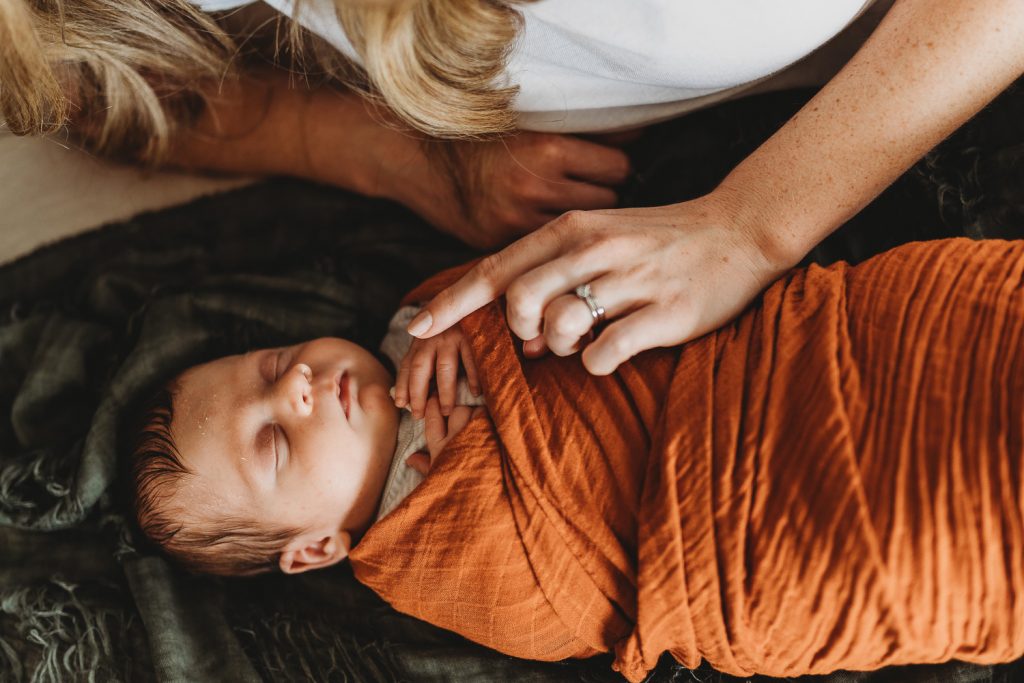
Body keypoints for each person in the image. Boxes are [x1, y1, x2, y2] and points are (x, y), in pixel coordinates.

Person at [127, 237, 1024, 682]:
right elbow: (568, 605)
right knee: (959, 519)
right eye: (277, 441)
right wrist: (481, 456)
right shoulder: (422, 553)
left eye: (278, 367)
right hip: (734, 516)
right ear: (315, 546)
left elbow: (544, 274)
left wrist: (470, 318)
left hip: (779, 359)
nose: (299, 392)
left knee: (965, 320)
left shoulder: (421, 323)